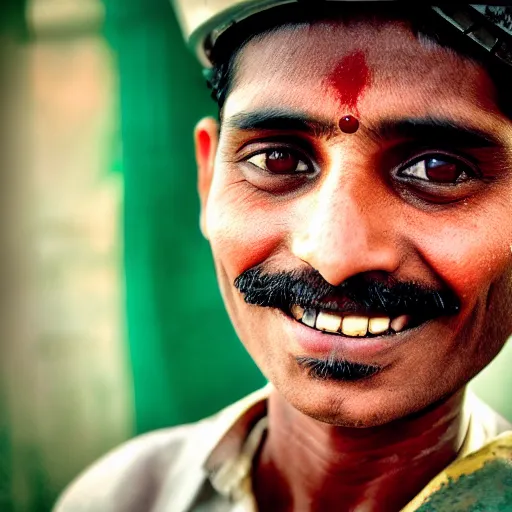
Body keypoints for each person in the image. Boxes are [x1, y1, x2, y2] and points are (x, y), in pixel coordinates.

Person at [55, 2, 512, 511]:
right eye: (279, 159)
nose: (336, 256)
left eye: (438, 170)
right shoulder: (121, 498)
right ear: (208, 182)